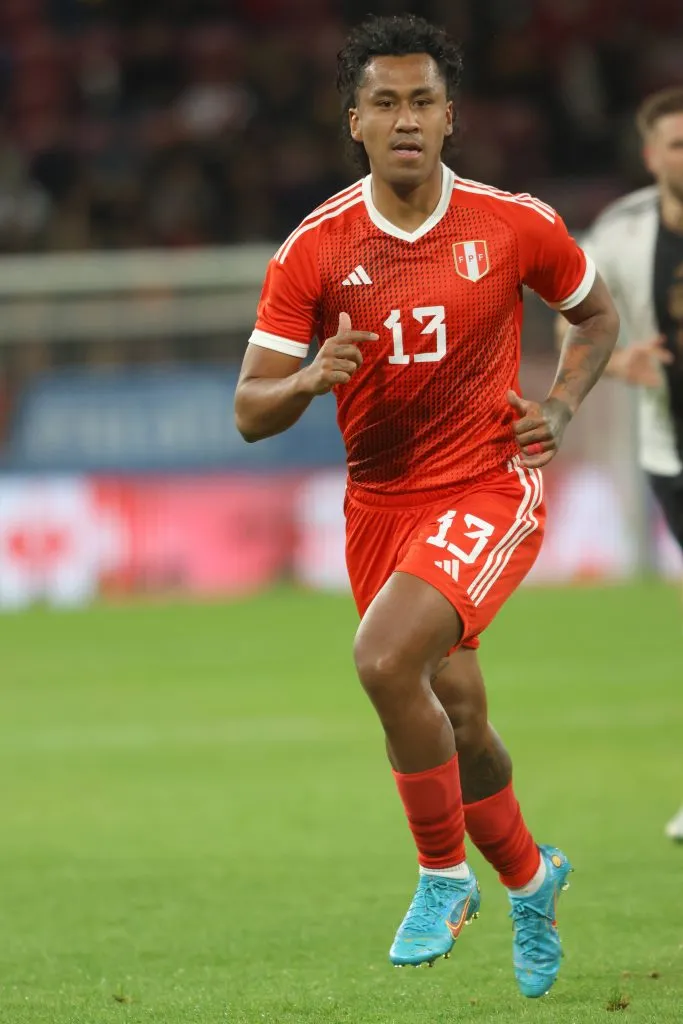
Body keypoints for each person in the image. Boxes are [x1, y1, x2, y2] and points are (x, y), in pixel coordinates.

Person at [234, 14, 619, 997]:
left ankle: (442, 873)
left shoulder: (512, 222)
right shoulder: (314, 250)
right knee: (457, 715)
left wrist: (563, 403)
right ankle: (532, 877)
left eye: (422, 102)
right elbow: (248, 410)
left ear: (450, 117)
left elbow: (594, 312)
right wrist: (310, 378)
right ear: (350, 121)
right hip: (380, 506)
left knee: (380, 658)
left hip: (490, 482)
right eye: (383, 103)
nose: (404, 120)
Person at [554, 87, 683, 843]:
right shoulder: (623, 230)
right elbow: (569, 306)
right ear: (649, 155)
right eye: (673, 144)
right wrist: (613, 360)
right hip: (671, 450)